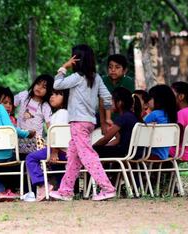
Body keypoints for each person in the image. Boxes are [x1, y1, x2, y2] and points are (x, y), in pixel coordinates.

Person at [49, 44, 116, 201]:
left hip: (78, 122)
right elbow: (107, 97)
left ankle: (107, 188)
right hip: (89, 122)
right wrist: (107, 117)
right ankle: (65, 191)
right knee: (73, 157)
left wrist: (63, 67)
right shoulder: (96, 77)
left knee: (88, 155)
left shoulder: (77, 77)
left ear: (76, 60)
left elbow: (57, 84)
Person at [26, 89, 69, 201]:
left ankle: (42, 185)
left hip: (59, 150)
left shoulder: (62, 113)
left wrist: (54, 152)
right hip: (65, 151)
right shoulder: (64, 113)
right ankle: (60, 190)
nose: (52, 97)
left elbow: (59, 134)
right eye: (51, 94)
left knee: (30, 158)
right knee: (57, 166)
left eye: (57, 94)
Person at [93, 87, 142, 157]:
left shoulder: (123, 118)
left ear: (119, 103)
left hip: (124, 152)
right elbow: (117, 140)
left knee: (93, 150)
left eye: (112, 101)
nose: (110, 104)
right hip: (135, 152)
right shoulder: (133, 116)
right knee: (100, 149)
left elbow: (106, 139)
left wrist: (91, 147)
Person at [14, 75, 53, 154]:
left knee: (43, 160)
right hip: (19, 137)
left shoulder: (45, 106)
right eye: (38, 84)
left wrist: (53, 147)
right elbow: (9, 106)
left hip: (37, 141)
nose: (39, 87)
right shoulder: (24, 95)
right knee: (18, 159)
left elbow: (50, 127)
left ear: (48, 91)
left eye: (44, 87)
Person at [99, 54, 135, 134]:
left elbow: (130, 104)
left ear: (125, 70)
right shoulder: (102, 80)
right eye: (110, 67)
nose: (113, 70)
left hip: (123, 118)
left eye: (117, 67)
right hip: (104, 118)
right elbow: (100, 103)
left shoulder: (128, 82)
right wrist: (103, 123)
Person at [144, 85, 177, 160]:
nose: (148, 101)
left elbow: (140, 127)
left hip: (151, 154)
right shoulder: (171, 115)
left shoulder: (155, 114)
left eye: (150, 98)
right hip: (165, 154)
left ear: (158, 100)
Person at [169, 81, 188, 161]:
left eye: (171, 94)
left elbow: (178, 139)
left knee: (157, 151)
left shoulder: (181, 113)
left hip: (180, 153)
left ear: (181, 96)